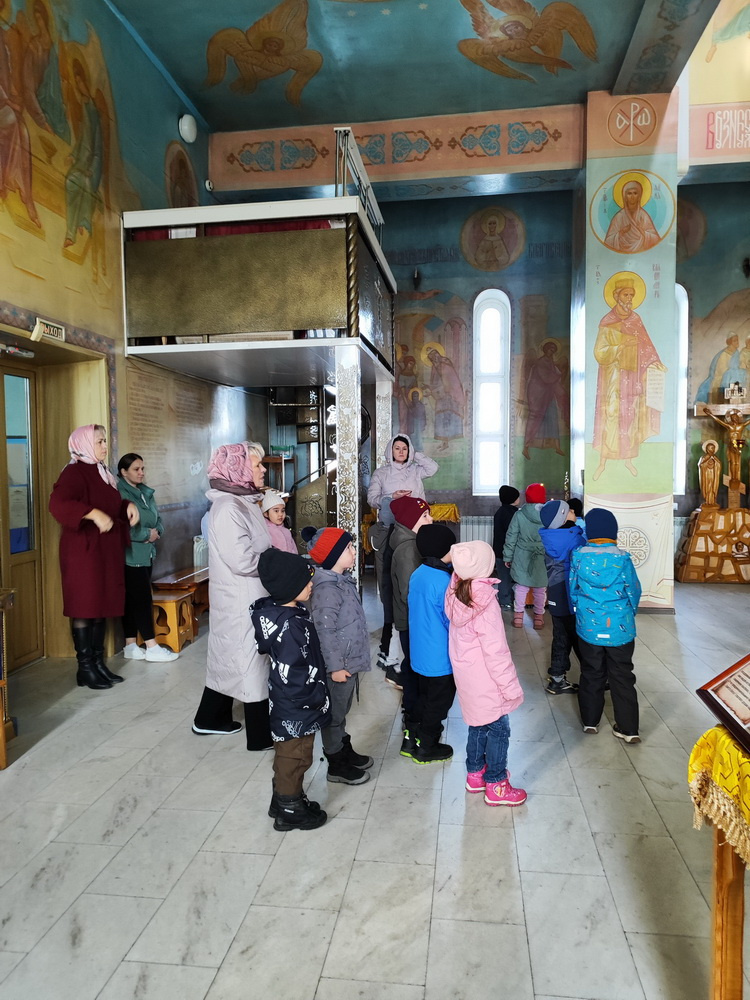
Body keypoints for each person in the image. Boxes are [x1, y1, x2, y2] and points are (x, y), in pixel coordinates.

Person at [192, 441, 273, 750]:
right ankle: (260, 736)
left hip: (247, 595)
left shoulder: (242, 501)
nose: (263, 469)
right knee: (249, 661)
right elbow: (243, 561)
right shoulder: (228, 508)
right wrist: (278, 566)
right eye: (257, 465)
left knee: (231, 659)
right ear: (238, 469)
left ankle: (209, 718)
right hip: (241, 598)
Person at [49, 424, 139, 689]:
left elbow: (109, 504)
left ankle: (98, 664)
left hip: (103, 552)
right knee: (85, 607)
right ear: (84, 444)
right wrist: (92, 513)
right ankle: (85, 667)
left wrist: (127, 506)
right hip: (83, 553)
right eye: (99, 441)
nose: (104, 446)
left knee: (100, 606)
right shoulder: (74, 472)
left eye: (104, 441)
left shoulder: (102, 472)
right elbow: (58, 504)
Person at [252, 549, 330, 832]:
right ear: (288, 586)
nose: (311, 583)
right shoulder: (290, 626)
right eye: (305, 580)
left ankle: (283, 799)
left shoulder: (283, 615)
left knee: (291, 754)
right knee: (296, 756)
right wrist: (313, 698)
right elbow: (294, 672)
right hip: (297, 704)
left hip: (288, 703)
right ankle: (289, 808)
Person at [444, 540, 527, 807]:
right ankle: (496, 783)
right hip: (488, 681)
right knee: (499, 728)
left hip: (468, 678)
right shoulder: (485, 602)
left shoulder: (456, 592)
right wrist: (509, 687)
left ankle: (475, 774)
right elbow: (496, 652)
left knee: (478, 725)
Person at [303, 526, 374, 785]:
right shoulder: (327, 588)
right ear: (333, 555)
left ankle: (343, 748)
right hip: (339, 664)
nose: (354, 551)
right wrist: (335, 667)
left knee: (341, 711)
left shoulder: (341, 580)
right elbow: (325, 630)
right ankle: (335, 763)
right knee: (333, 715)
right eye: (348, 548)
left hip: (348, 660)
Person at [569, 508, 642, 743]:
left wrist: (580, 612)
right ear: (614, 532)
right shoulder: (623, 558)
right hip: (620, 629)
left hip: (589, 628)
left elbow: (573, 590)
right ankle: (629, 729)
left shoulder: (578, 556)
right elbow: (634, 591)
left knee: (591, 672)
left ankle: (590, 722)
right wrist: (629, 614)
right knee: (622, 674)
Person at [592, 278, 666, 480]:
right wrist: (621, 345)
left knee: (631, 416)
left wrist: (654, 363)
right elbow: (600, 352)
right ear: (616, 296)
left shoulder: (636, 320)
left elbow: (647, 347)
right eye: (626, 294)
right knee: (611, 415)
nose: (629, 298)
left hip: (633, 377)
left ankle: (628, 460)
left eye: (632, 295)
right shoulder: (607, 321)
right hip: (613, 377)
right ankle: (602, 463)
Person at [116, 453, 178, 662]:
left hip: (147, 552)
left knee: (134, 599)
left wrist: (157, 531)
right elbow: (122, 527)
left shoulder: (145, 492)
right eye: (136, 469)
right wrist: (145, 535)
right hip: (131, 555)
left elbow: (157, 518)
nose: (141, 473)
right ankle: (151, 646)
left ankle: (130, 645)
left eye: (143, 468)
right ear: (124, 472)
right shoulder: (120, 493)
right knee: (141, 599)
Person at [405, 524, 456, 764]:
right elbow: (451, 619)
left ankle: (410, 738)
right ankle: (427, 746)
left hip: (419, 652)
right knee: (438, 703)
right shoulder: (443, 581)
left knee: (422, 697)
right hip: (439, 657)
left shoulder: (419, 573)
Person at [389, 495, 433, 745]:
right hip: (412, 619)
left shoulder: (413, 543)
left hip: (413, 618)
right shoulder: (408, 549)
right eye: (425, 516)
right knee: (414, 668)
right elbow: (409, 593)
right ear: (411, 520)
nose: (431, 519)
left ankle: (414, 710)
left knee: (413, 665)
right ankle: (413, 716)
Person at [538, 500, 584, 695]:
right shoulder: (575, 538)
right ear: (564, 518)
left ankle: (557, 678)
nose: (574, 512)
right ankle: (594, 676)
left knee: (561, 635)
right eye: (570, 510)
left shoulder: (551, 536)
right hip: (570, 590)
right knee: (580, 635)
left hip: (555, 590)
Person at [503, 483, 547, 630]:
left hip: (522, 554)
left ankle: (518, 617)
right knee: (540, 589)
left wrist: (508, 557)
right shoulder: (549, 515)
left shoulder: (519, 514)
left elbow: (511, 536)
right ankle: (539, 618)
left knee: (521, 587)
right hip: (542, 556)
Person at [368, 496, 400, 679]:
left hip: (395, 579)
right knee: (390, 618)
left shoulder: (398, 530)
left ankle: (385, 650)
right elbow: (377, 545)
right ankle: (386, 652)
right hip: (386, 580)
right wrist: (387, 527)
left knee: (393, 618)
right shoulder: (376, 530)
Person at [367, 434, 438, 513]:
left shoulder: (415, 469)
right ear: (390, 451)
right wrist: (392, 496)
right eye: (397, 448)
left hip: (416, 516)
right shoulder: (380, 473)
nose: (401, 452)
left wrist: (414, 454)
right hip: (391, 518)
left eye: (405, 449)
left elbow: (433, 468)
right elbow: (371, 500)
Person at [522, 341, 569, 459]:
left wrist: (560, 373)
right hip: (538, 396)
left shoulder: (550, 362)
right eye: (550, 349)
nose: (551, 352)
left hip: (548, 395)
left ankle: (556, 446)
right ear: (545, 349)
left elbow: (555, 375)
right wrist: (559, 374)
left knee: (553, 417)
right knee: (534, 418)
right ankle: (526, 447)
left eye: (554, 350)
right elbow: (547, 378)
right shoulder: (541, 362)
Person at [604, 180, 660, 254]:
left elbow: (656, 239)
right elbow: (608, 241)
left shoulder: (643, 216)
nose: (632, 196)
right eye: (629, 193)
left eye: (635, 193)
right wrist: (621, 232)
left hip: (642, 252)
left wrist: (642, 232)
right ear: (625, 196)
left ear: (639, 196)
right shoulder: (619, 216)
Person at [702, 407, 750, 484]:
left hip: (739, 445)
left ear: (738, 418)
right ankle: (733, 478)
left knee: (737, 462)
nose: (735, 419)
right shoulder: (729, 426)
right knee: (732, 462)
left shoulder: (741, 426)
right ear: (731, 419)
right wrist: (710, 414)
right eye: (733, 418)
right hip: (731, 445)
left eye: (736, 417)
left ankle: (736, 478)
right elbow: (719, 421)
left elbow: (748, 421)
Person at [491, 485, 520, 608]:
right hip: (506, 551)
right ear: (512, 499)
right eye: (517, 497)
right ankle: (505, 601)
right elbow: (512, 534)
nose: (519, 499)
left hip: (500, 550)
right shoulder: (511, 514)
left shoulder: (501, 511)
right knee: (505, 578)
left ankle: (507, 599)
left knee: (505, 577)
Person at [695, 334, 742, 403]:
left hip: (732, 378)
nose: (737, 342)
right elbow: (721, 371)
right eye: (734, 341)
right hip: (722, 378)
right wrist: (731, 374)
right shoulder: (724, 354)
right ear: (730, 342)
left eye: (737, 340)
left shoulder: (736, 353)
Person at [261, 489, 297, 553]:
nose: (280, 514)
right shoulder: (264, 531)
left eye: (282, 511)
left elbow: (294, 551)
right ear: (266, 514)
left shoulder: (286, 531)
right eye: (276, 511)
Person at [698, 440, 721, 507]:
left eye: (714, 448)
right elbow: (701, 465)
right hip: (706, 476)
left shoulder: (715, 458)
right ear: (708, 449)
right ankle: (706, 501)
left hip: (713, 475)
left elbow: (719, 465)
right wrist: (707, 461)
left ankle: (712, 502)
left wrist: (715, 462)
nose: (713, 450)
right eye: (712, 448)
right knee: (707, 488)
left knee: (712, 488)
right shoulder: (703, 458)